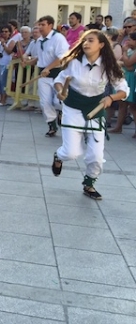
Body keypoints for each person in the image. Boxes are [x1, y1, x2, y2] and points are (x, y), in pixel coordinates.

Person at [51, 30, 129, 200]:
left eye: (91, 40)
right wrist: (60, 91)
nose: (86, 43)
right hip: (73, 108)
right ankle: (58, 156)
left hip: (96, 109)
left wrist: (111, 97)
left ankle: (89, 184)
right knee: (71, 153)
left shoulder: (109, 65)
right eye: (84, 40)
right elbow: (58, 80)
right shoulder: (73, 62)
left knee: (97, 155)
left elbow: (124, 89)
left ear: (101, 45)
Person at [24, 15, 69, 137]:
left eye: (43, 25)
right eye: (39, 25)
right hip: (43, 75)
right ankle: (52, 125)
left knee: (58, 101)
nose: (40, 27)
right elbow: (41, 56)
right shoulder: (39, 41)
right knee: (44, 102)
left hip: (57, 75)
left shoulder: (58, 38)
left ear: (50, 25)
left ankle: (61, 114)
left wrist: (48, 68)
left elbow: (62, 57)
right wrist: (29, 62)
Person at [112, 32, 136, 135]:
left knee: (132, 106)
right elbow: (119, 61)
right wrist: (124, 60)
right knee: (122, 104)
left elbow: (129, 65)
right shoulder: (130, 50)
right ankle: (118, 127)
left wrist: (125, 53)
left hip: (131, 79)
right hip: (125, 77)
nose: (127, 42)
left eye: (130, 40)